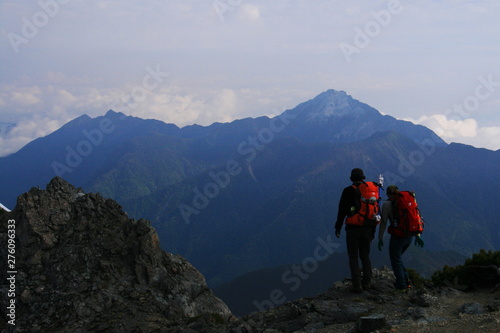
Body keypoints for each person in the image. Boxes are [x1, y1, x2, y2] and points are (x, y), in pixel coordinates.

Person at [335, 168, 377, 293]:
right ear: (363, 178)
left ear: (351, 178)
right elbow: (375, 210)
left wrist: (338, 227)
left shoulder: (348, 191)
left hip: (352, 229)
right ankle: (367, 283)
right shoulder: (370, 191)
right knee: (365, 255)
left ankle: (357, 285)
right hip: (368, 227)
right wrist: (373, 230)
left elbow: (342, 210)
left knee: (353, 257)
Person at [378, 185, 424, 290]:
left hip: (398, 236)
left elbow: (384, 222)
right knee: (398, 258)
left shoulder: (387, 204)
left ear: (388, 194)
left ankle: (401, 284)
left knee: (395, 259)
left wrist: (380, 238)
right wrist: (418, 235)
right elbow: (416, 217)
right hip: (410, 236)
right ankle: (406, 281)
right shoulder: (407, 201)